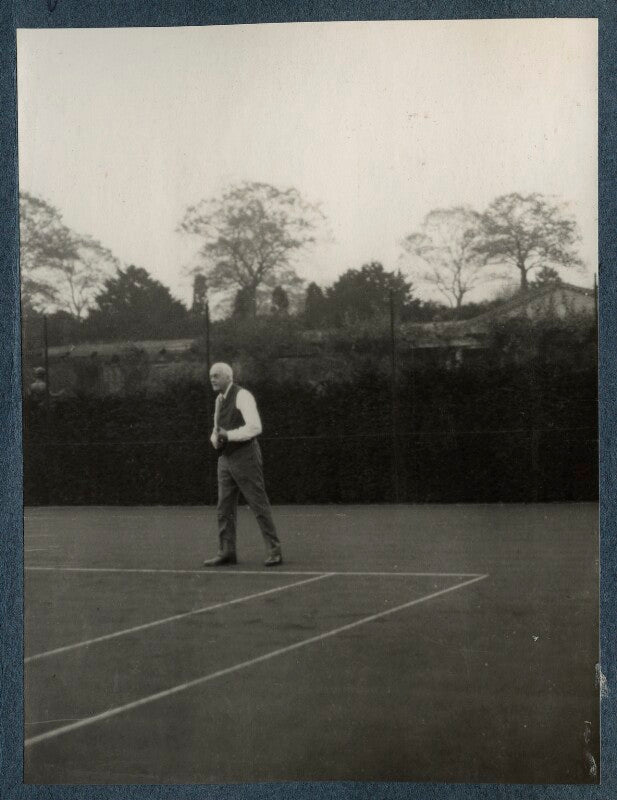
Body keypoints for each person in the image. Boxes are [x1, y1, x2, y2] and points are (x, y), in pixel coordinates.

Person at [203, 362, 283, 567]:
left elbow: (255, 427)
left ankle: (274, 550)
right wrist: (216, 440)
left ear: (228, 377)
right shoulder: (219, 400)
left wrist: (228, 435)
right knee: (224, 507)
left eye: (216, 375)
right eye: (211, 376)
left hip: (245, 456)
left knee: (257, 503)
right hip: (225, 458)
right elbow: (216, 430)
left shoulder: (242, 395)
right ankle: (226, 552)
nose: (212, 379)